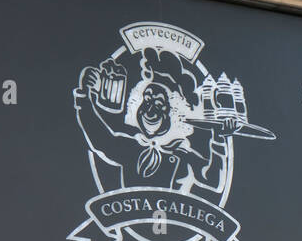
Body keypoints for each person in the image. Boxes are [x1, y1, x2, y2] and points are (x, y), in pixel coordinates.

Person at [73, 47, 239, 195]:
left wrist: (219, 139)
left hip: (174, 227)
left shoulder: (182, 154)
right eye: (147, 99)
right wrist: (85, 97)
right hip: (127, 225)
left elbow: (212, 181)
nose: (149, 109)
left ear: (174, 113)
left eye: (159, 103)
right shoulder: (132, 148)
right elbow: (100, 139)